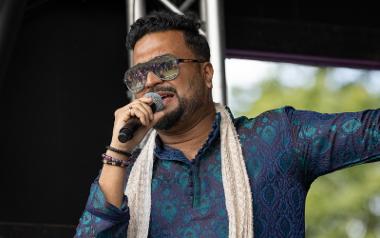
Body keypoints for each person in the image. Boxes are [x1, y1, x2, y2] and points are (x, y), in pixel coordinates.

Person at [74, 11, 380, 238]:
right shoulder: (122, 174)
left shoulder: (277, 137)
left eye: (165, 66)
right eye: (139, 75)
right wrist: (118, 151)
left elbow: (371, 131)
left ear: (206, 74)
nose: (150, 81)